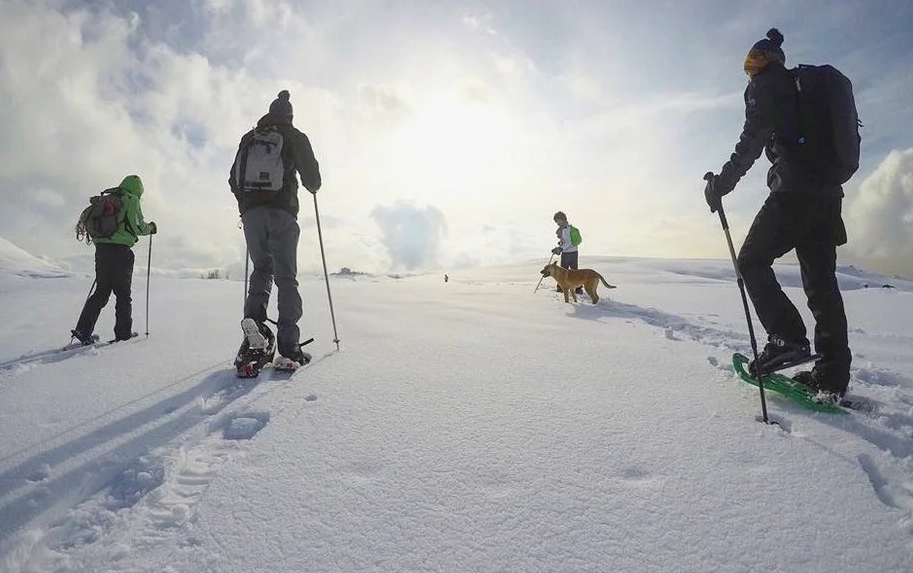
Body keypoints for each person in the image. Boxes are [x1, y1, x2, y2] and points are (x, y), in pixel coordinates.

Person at [704, 28, 851, 398]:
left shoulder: (766, 85)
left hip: (793, 193)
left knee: (751, 261)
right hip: (828, 196)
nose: (749, 72)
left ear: (759, 63)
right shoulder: (806, 87)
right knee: (822, 286)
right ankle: (832, 377)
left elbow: (752, 139)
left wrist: (722, 183)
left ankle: (786, 338)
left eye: (750, 65)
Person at [230, 90, 322, 368]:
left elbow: (232, 178)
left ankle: (254, 331)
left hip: (252, 217)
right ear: (289, 116)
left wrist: (247, 206)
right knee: (286, 277)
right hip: (282, 214)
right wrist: (313, 187)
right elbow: (313, 178)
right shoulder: (294, 136)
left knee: (261, 269)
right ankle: (289, 345)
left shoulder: (250, 138)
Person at [71, 175, 157, 344]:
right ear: (139, 189)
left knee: (101, 292)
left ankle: (83, 330)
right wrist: (151, 228)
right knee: (123, 294)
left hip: (102, 251)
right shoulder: (130, 199)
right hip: (121, 252)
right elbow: (138, 226)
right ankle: (123, 334)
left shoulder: (109, 199)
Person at [551, 211, 583, 294]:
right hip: (574, 252)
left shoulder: (565, 229)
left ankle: (561, 288)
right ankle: (578, 288)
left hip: (567, 253)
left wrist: (560, 249)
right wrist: (560, 245)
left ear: (563, 219)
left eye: (558, 220)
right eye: (556, 221)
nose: (557, 222)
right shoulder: (568, 228)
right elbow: (566, 241)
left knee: (562, 271)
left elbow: (568, 242)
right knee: (575, 271)